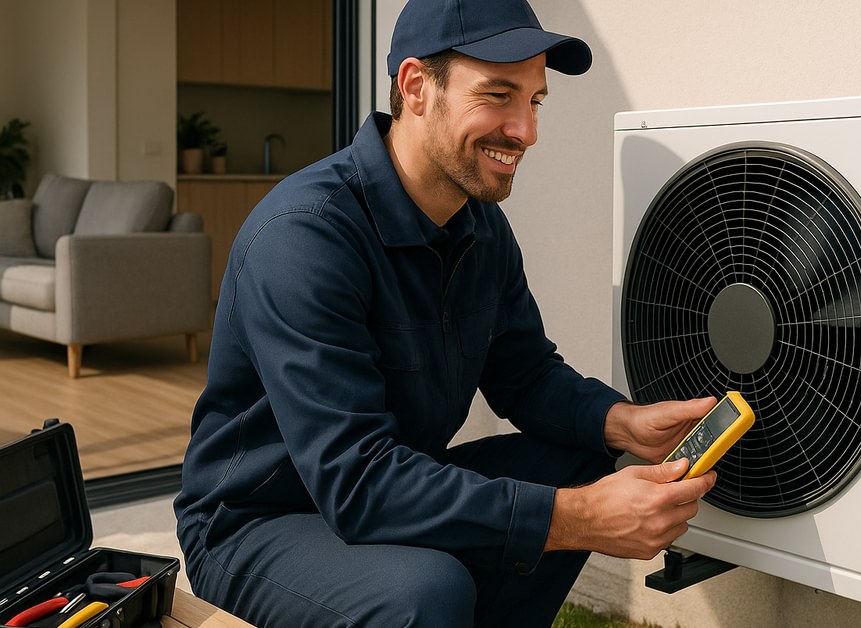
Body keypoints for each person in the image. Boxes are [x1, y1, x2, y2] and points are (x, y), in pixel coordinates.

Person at [174, 1, 718, 626]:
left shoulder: (479, 224)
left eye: (534, 101)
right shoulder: (304, 237)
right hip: (255, 522)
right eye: (497, 95)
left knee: (579, 457)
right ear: (415, 87)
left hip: (385, 485)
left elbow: (525, 374)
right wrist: (581, 517)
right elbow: (357, 482)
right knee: (424, 591)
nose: (525, 131)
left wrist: (622, 422)